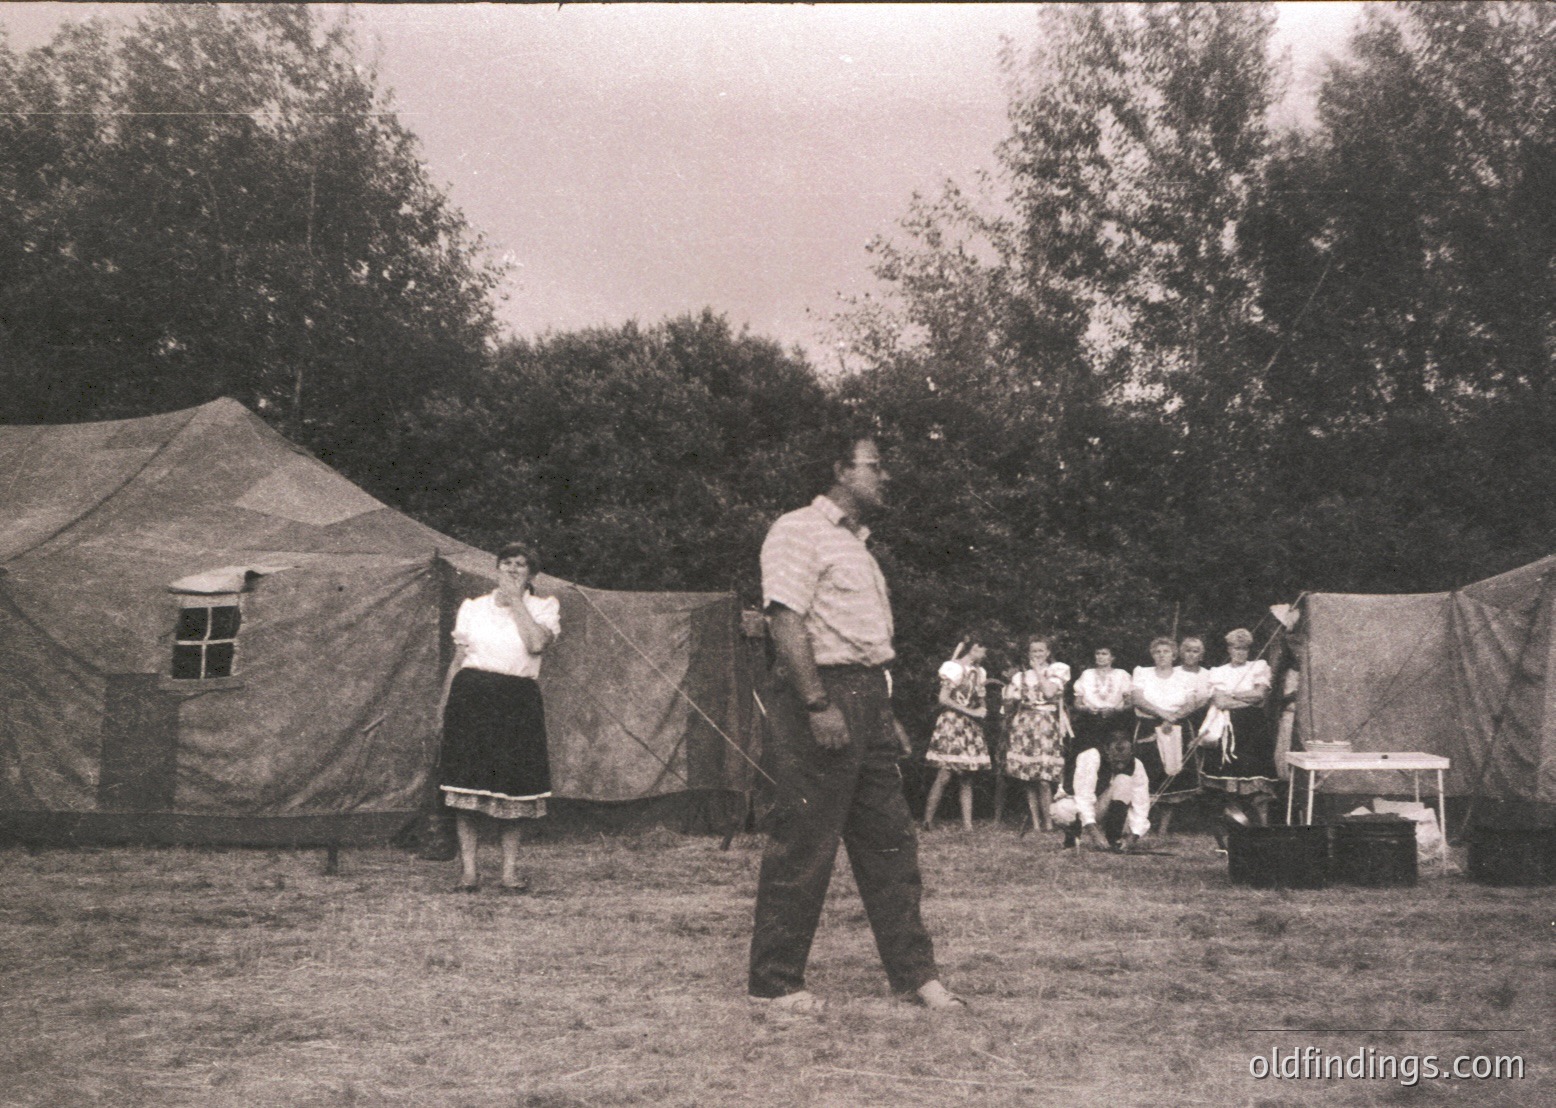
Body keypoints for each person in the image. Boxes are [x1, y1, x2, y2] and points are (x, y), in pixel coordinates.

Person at [748, 431, 963, 1013]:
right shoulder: (796, 530)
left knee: (892, 844)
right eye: (875, 465)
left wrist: (883, 713)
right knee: (805, 844)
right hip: (819, 695)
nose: (885, 477)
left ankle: (916, 976)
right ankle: (775, 984)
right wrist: (818, 704)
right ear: (840, 469)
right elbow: (786, 624)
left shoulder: (860, 546)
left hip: (868, 701)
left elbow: (864, 642)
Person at [438, 541, 561, 893]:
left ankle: (508, 873)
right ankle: (469, 872)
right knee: (466, 783)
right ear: (496, 568)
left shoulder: (544, 606)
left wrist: (517, 601)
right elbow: (458, 659)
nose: (512, 569)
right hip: (471, 696)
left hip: (517, 700)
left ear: (531, 574)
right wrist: (443, 705)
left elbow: (536, 644)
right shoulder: (473, 607)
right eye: (506, 563)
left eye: (521, 565)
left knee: (516, 789)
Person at [1200, 628, 1279, 825]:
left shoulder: (1258, 666)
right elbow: (1220, 702)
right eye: (1236, 648)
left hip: (1253, 727)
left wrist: (1233, 695)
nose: (1240, 653)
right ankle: (1234, 821)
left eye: (1244, 649)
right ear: (1229, 649)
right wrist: (1247, 698)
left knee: (1256, 774)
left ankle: (1263, 822)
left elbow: (1260, 696)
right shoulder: (1218, 672)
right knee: (1230, 775)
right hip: (1228, 727)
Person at [1130, 637, 1208, 835]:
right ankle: (1140, 825)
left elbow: (1190, 703)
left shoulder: (1184, 677)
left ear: (1174, 655)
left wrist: (1173, 718)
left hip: (1177, 727)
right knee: (1146, 773)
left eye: (1166, 652)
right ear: (1152, 655)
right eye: (1158, 652)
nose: (1162, 655)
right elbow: (1137, 699)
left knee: (1172, 776)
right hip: (1149, 725)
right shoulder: (1143, 673)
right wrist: (1162, 714)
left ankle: (1163, 829)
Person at [922, 633, 991, 832]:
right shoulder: (953, 668)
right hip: (952, 723)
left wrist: (981, 705)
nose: (984, 654)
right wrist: (971, 711)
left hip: (970, 726)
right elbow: (943, 699)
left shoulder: (980, 672)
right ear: (974, 648)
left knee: (967, 776)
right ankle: (928, 821)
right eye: (982, 650)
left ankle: (968, 825)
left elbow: (979, 701)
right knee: (945, 773)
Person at [1003, 635, 1071, 832]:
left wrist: (1039, 672)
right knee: (1028, 777)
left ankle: (1049, 822)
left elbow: (1049, 692)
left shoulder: (1058, 670)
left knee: (1044, 778)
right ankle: (1035, 823)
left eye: (1041, 650)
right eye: (1034, 651)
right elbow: (1011, 702)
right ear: (1028, 653)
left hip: (1046, 726)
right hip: (1024, 726)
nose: (1038, 654)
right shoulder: (1020, 677)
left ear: (1048, 652)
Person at [1051, 734, 1151, 851]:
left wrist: (1133, 837)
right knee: (1062, 810)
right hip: (1075, 804)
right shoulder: (1091, 757)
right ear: (1106, 750)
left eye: (1124, 760)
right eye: (1116, 759)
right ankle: (1072, 839)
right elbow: (1083, 797)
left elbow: (1142, 803)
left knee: (1124, 780)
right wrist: (1095, 834)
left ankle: (1114, 839)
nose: (1120, 764)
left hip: (1104, 806)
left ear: (1131, 752)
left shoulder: (1136, 765)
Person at [1071, 646, 1133, 757]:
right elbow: (1077, 703)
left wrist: (1114, 710)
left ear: (1112, 657)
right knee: (1088, 755)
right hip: (1089, 721)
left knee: (1114, 755)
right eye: (1098, 653)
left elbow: (1129, 704)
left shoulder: (1121, 674)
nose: (1100, 656)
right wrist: (1087, 709)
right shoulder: (1087, 674)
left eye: (1104, 654)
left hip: (1115, 721)